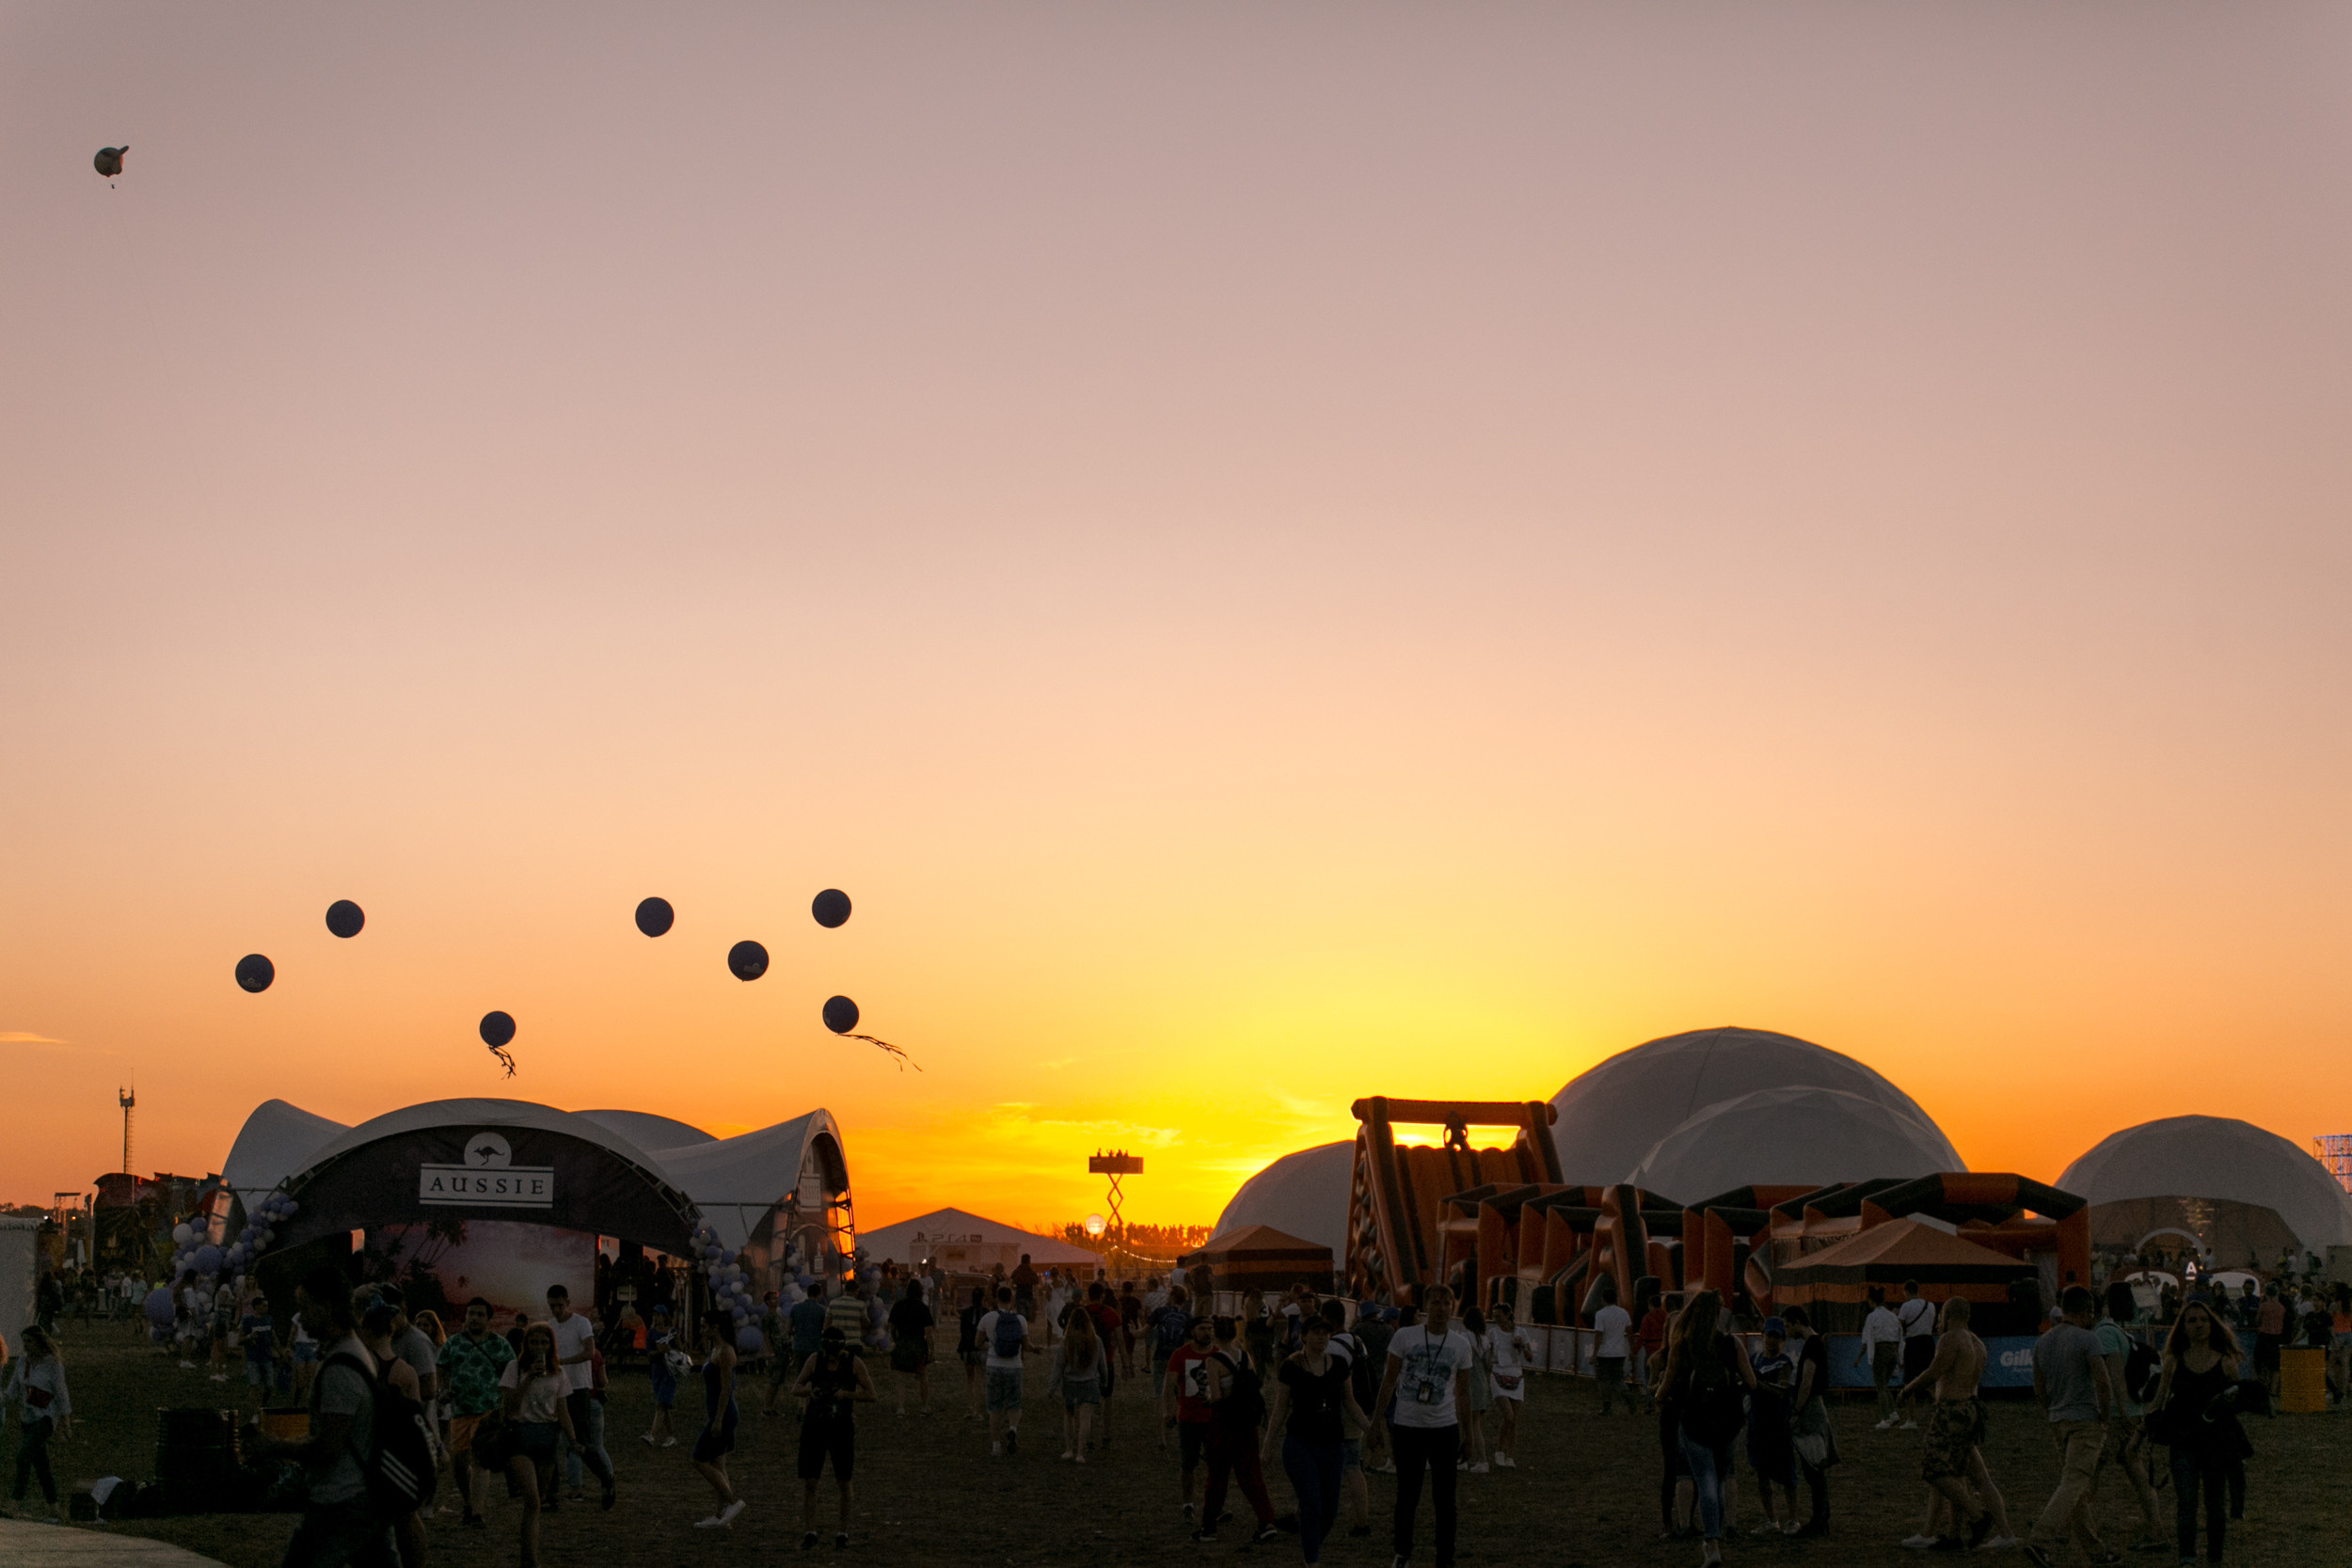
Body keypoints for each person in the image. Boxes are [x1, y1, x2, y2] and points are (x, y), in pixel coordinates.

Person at [247, 1264, 398, 1568]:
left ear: (326, 1307)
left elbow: (328, 1447)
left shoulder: (341, 1367)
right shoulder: (350, 1353)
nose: (300, 1317)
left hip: (343, 1503)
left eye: (305, 1307)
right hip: (356, 1500)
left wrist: (274, 1446)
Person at [1371, 1282, 1477, 1568]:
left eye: (1446, 1303)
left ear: (1453, 1308)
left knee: (1445, 1500)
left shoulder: (1461, 1344)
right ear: (1425, 1307)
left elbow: (1463, 1392)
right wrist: (1377, 1422)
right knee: (1407, 1495)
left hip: (1444, 1428)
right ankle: (1402, 1552)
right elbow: (1389, 1380)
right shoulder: (1404, 1337)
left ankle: (1445, 1557)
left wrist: (1469, 1435)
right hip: (1408, 1427)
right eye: (1436, 1303)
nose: (1441, 1309)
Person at [1898, 1296, 2015, 1551]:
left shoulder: (1951, 1338)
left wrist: (1908, 1390)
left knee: (1935, 1470)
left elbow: (1935, 1371)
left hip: (1952, 1412)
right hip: (1972, 1409)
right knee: (1970, 1476)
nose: (1938, 1322)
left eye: (1940, 1317)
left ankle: (1977, 1516)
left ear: (1948, 1314)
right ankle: (1963, 1534)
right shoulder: (1978, 1343)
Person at [1658, 1288, 1756, 1568]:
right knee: (1722, 1478)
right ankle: (1719, 1529)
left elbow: (1666, 1387)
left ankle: (1711, 1543)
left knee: (1706, 1481)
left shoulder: (1682, 1344)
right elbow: (1751, 1382)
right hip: (1727, 1423)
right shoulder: (1732, 1344)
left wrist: (1657, 1397)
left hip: (1694, 1423)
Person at [1263, 1313, 1371, 1565]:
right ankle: (1312, 1560)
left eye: (1325, 1332)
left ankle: (1310, 1545)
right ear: (1304, 1336)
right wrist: (1267, 1446)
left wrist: (1370, 1427)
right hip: (1300, 1444)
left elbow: (1350, 1402)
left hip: (1333, 1445)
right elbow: (1280, 1408)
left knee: (1330, 1510)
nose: (1322, 1337)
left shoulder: (1340, 1365)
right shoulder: (1292, 1367)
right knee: (1311, 1503)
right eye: (1316, 1332)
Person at [2024, 1284, 2118, 1568]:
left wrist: (2051, 1410)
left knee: (2073, 1489)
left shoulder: (2043, 1342)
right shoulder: (2088, 1340)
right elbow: (2102, 1382)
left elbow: (2038, 1387)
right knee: (2074, 1483)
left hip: (2058, 1418)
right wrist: (2104, 1417)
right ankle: (2039, 1540)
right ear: (2087, 1312)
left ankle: (2096, 1552)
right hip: (2084, 1419)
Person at [2152, 1296, 2244, 1568]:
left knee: (2215, 1504)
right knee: (2187, 1502)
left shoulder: (2225, 1362)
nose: (2199, 1325)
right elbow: (2159, 1398)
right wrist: (2141, 1430)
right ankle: (2187, 1558)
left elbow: (2237, 1402)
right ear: (2183, 1327)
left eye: (2203, 1320)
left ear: (2212, 1324)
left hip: (2216, 1443)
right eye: (2192, 1320)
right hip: (2183, 1442)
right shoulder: (2173, 1361)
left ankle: (2215, 1557)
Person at [354, 1291, 428, 1568]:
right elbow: (417, 1418)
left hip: (368, 1451)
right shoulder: (405, 1371)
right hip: (399, 1451)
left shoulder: (360, 1366)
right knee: (407, 1516)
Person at [1198, 1317, 1281, 1544]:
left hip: (1223, 1422)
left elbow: (1215, 1395)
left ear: (1216, 1334)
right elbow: (1254, 1383)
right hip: (1246, 1422)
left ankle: (1208, 1526)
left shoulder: (1214, 1361)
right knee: (1251, 1474)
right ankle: (1266, 1520)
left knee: (1217, 1476)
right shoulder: (1244, 1356)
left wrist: (1207, 1399)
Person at [2095, 1281, 2164, 1552]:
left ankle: (2067, 1525)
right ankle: (2156, 1529)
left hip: (2117, 1415)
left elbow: (2114, 1379)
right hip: (2133, 1412)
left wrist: (2120, 1414)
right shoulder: (2121, 1333)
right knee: (2136, 1473)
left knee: (2086, 1473)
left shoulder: (2105, 1334)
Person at [794, 1325, 876, 1549]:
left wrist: (847, 1394)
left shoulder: (854, 1363)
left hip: (841, 1428)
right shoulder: (814, 1360)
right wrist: (811, 1391)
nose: (832, 1358)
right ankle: (810, 1531)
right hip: (814, 1427)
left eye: (835, 1354)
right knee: (810, 1481)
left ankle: (843, 1532)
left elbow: (871, 1394)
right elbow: (796, 1387)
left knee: (844, 1481)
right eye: (829, 1353)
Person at [500, 1321, 574, 1566]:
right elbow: (509, 1405)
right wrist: (529, 1377)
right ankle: (530, 1560)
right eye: (534, 1342)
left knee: (536, 1504)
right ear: (526, 1345)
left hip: (547, 1436)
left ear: (550, 1345)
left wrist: (573, 1440)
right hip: (520, 1435)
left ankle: (528, 1556)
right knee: (531, 1498)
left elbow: (562, 1410)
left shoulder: (558, 1372)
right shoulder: (514, 1368)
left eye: (544, 1342)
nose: (538, 1346)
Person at [437, 1296, 515, 1530]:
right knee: (459, 1464)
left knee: (481, 1461)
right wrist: (443, 1389)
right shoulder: (453, 1343)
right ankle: (469, 1502)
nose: (474, 1318)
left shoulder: (499, 1344)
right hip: (460, 1409)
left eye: (480, 1314)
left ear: (489, 1319)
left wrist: (506, 1400)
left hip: (487, 1410)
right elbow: (441, 1366)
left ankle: (477, 1512)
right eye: (471, 1313)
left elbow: (512, 1369)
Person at [541, 1284, 613, 1510]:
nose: (556, 1310)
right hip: (554, 1389)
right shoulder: (550, 1327)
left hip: (578, 1388)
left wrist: (561, 1363)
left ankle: (606, 1478)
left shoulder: (581, 1323)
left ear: (568, 1302)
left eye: (560, 1305)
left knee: (580, 1442)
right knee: (550, 1443)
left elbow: (589, 1353)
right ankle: (552, 1495)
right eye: (552, 1306)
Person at [4, 1325, 70, 1524]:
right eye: (24, 1342)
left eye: (30, 1341)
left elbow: (61, 1394)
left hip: (46, 1418)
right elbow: (12, 1392)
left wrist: (66, 1424)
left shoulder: (53, 1365)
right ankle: (53, 1506)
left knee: (23, 1455)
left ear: (40, 1342)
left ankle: (15, 1502)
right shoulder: (22, 1363)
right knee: (41, 1465)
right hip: (28, 1418)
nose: (26, 1346)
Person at [1782, 1305, 1837, 1538]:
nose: (1786, 1330)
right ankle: (1821, 1517)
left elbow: (1807, 1381)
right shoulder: (1816, 1343)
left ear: (1796, 1322)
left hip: (1810, 1408)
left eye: (1787, 1325)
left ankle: (1819, 1520)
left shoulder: (1811, 1345)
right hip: (1815, 1405)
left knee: (1813, 1467)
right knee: (1815, 1467)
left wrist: (1796, 1409)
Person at [691, 1306, 748, 1528]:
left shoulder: (725, 1351)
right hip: (718, 1412)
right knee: (718, 1462)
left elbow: (726, 1389)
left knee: (698, 1459)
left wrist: (717, 1419)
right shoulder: (714, 1350)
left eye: (705, 1325)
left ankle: (731, 1503)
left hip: (723, 1414)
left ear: (716, 1327)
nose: (702, 1329)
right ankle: (722, 1516)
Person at [1745, 1318, 1799, 1536]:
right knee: (1761, 1472)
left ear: (1783, 1340)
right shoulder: (1754, 1359)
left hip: (1777, 1424)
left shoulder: (1785, 1362)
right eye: (1770, 1336)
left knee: (1787, 1473)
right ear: (1763, 1337)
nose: (1772, 1341)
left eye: (1777, 1337)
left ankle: (1793, 1518)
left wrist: (1757, 1384)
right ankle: (1771, 1519)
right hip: (1758, 1423)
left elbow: (1781, 1391)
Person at [1163, 1311, 1218, 1519]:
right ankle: (1188, 1503)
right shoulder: (1180, 1355)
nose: (1207, 1333)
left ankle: (1214, 1504)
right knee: (1188, 1464)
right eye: (1202, 1329)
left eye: (1210, 1329)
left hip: (1214, 1418)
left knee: (1216, 1463)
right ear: (1192, 1331)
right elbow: (1168, 1387)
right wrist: (1168, 1411)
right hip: (1188, 1418)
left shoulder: (1218, 1353)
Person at [978, 1284, 1036, 1456]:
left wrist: (992, 1346)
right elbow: (1026, 1345)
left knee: (994, 1407)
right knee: (1014, 1404)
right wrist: (1035, 1349)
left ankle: (996, 1446)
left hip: (994, 1365)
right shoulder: (1020, 1320)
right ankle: (1012, 1428)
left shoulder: (988, 1318)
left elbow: (977, 1343)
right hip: (1014, 1366)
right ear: (1011, 1300)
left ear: (996, 1299)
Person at [1052, 1296, 1104, 1461]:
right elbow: (1102, 1364)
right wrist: (1105, 1380)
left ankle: (1069, 1449)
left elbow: (1058, 1366)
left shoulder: (1066, 1341)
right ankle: (1081, 1452)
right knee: (1085, 1418)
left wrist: (1051, 1387)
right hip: (1089, 1382)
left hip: (1070, 1383)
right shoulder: (1096, 1340)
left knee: (1069, 1417)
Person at [1485, 1299, 1531, 1468]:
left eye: (1498, 1316)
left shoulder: (1521, 1332)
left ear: (1507, 1315)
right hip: (1498, 1373)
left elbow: (1530, 1357)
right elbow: (1489, 1355)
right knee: (1509, 1415)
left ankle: (1510, 1455)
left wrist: (1521, 1347)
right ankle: (1499, 1450)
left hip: (1516, 1375)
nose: (1496, 1319)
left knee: (1513, 1420)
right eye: (1494, 1316)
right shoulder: (1493, 1334)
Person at [1856, 1287, 1904, 1428]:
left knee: (1880, 1387)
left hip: (1879, 1352)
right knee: (1884, 1385)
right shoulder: (1892, 1316)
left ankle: (1885, 1418)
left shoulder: (1872, 1317)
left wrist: (1859, 1357)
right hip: (1892, 1352)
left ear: (1871, 1301)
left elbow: (1866, 1341)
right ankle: (1893, 1413)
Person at [887, 1277, 935, 1415]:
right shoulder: (922, 1308)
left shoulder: (899, 1305)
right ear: (920, 1292)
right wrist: (932, 1348)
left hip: (902, 1342)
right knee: (922, 1376)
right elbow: (928, 1331)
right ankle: (924, 1407)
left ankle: (901, 1407)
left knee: (901, 1377)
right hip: (918, 1343)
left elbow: (890, 1325)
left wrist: (895, 1338)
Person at [1896, 1279, 1936, 1429]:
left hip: (1913, 1343)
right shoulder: (1930, 1305)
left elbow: (1899, 1327)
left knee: (1909, 1382)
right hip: (1928, 1342)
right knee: (1931, 1381)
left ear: (1907, 1291)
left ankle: (1911, 1420)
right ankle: (1940, 1415)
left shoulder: (1906, 1306)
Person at [1593, 1279, 1633, 1416]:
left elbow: (1599, 1335)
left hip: (1604, 1353)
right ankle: (1629, 1399)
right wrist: (1632, 1350)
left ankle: (1607, 1406)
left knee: (1604, 1381)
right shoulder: (1624, 1313)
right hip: (1619, 1352)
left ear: (1604, 1299)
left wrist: (1594, 1353)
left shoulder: (1600, 1314)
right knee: (1619, 1380)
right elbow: (1629, 1333)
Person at [644, 1305, 682, 1447]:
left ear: (664, 1317)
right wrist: (660, 1352)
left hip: (670, 1371)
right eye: (654, 1315)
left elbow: (681, 1349)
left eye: (658, 1315)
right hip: (657, 1370)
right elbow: (649, 1353)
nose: (656, 1318)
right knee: (664, 1405)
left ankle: (652, 1434)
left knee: (661, 1403)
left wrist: (670, 1350)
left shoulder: (672, 1332)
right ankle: (671, 1436)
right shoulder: (651, 1334)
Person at [240, 1290, 278, 1410]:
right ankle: (253, 1410)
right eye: (264, 1306)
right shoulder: (248, 1321)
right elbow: (239, 1340)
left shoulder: (269, 1319)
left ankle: (263, 1406)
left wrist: (281, 1352)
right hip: (253, 1358)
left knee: (269, 1387)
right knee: (254, 1386)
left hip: (267, 1357)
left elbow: (274, 1337)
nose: (267, 1308)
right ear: (256, 1307)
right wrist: (249, 1337)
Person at [956, 1286, 989, 1419]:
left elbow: (962, 1331)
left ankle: (970, 1408)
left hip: (967, 1348)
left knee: (970, 1380)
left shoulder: (966, 1313)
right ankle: (977, 1409)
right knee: (980, 1379)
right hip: (981, 1349)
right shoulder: (986, 1313)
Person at [1635, 1286, 1669, 1415]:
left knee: (1649, 1377)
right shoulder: (1666, 1316)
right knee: (1663, 1376)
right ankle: (1663, 1400)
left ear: (1650, 1305)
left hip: (1651, 1351)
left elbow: (1642, 1336)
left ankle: (1651, 1403)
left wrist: (1634, 1351)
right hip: (1664, 1350)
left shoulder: (1648, 1318)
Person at [2253, 1282, 2286, 1396]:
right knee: (2276, 1365)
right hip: (2277, 1336)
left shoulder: (2263, 1306)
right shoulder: (2281, 1307)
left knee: (2263, 1363)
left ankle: (2265, 1387)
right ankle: (2274, 1389)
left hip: (2265, 1335)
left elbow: (2257, 1320)